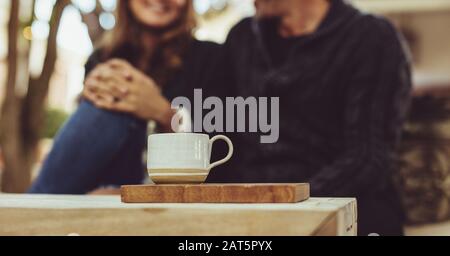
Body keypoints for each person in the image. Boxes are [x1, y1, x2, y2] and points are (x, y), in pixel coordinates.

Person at [207, 0, 412, 236]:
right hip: (254, 216)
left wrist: (288, 211)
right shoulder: (242, 38)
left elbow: (367, 158)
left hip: (343, 212)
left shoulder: (370, 37)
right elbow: (222, 141)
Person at [29, 0, 220, 194]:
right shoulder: (101, 59)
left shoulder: (211, 58)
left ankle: (32, 207)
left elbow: (219, 152)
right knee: (106, 108)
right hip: (97, 187)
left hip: (168, 193)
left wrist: (164, 113)